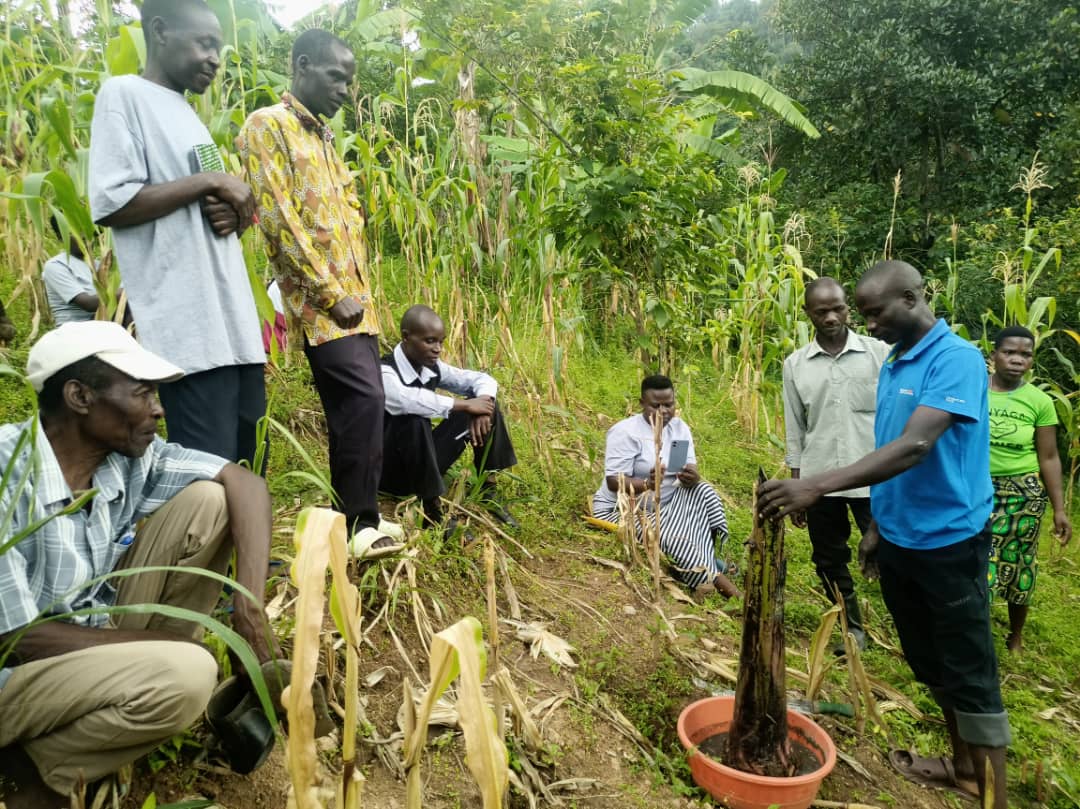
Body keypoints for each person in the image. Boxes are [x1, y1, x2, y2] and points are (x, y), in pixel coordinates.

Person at [758, 261, 1009, 809]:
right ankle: (964, 766)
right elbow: (887, 448)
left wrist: (815, 486)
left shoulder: (957, 359)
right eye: (863, 313)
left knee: (969, 668)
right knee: (928, 660)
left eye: (873, 313)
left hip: (948, 541)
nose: (866, 324)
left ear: (913, 298)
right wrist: (878, 527)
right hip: (900, 538)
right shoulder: (896, 359)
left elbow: (916, 445)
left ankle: (992, 794)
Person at [0, 321, 275, 809]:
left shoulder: (125, 460)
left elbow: (244, 484)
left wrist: (246, 611)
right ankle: (38, 776)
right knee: (188, 674)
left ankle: (120, 706)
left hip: (88, 638)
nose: (158, 409)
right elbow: (17, 641)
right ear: (79, 396)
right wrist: (167, 644)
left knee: (212, 500)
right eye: (142, 394)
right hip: (14, 671)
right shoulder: (7, 476)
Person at [236, 28, 399, 555]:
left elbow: (346, 216)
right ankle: (359, 525)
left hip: (357, 302)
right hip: (324, 303)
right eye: (337, 77)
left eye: (349, 81)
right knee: (363, 398)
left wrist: (360, 293)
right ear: (303, 66)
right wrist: (331, 293)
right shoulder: (268, 126)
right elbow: (278, 219)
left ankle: (357, 519)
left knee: (361, 409)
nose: (344, 90)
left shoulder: (324, 138)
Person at [88, 0, 266, 465]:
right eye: (204, 43)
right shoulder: (123, 95)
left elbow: (203, 210)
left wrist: (234, 215)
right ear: (161, 31)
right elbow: (112, 202)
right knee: (207, 476)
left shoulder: (188, 114)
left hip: (235, 330)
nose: (214, 57)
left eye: (219, 48)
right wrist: (211, 181)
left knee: (247, 463)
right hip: (190, 335)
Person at [782, 277, 889, 652]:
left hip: (874, 477)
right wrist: (797, 485)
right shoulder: (795, 365)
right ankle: (849, 626)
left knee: (892, 552)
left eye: (837, 308)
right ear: (807, 314)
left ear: (848, 308)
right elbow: (795, 428)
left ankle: (911, 626)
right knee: (828, 559)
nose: (831, 317)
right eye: (821, 311)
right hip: (820, 479)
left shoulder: (880, 354)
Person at [593, 375, 740, 598]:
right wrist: (646, 484)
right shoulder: (625, 432)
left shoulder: (679, 429)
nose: (663, 411)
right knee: (673, 538)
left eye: (668, 404)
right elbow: (614, 482)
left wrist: (692, 475)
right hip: (624, 510)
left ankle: (706, 557)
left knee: (705, 492)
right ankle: (728, 590)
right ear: (642, 403)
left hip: (667, 503)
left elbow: (686, 466)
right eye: (656, 405)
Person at [380, 305, 519, 537]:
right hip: (390, 472)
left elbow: (480, 379)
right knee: (414, 416)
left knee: (487, 406)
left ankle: (488, 489)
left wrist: (482, 405)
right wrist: (464, 404)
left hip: (422, 462)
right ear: (406, 337)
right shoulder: (385, 371)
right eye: (430, 341)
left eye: (441, 342)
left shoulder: (431, 367)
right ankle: (432, 512)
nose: (437, 349)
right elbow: (404, 400)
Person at [986, 325, 1072, 653]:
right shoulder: (973, 390)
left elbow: (1049, 457)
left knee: (1019, 563)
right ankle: (973, 629)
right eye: (1009, 352)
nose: (1017, 360)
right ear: (993, 355)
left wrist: (1060, 510)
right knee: (979, 562)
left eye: (1025, 354)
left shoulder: (1039, 401)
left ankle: (1016, 634)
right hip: (975, 490)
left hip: (1022, 494)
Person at [42, 218, 99, 325]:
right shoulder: (56, 265)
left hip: (106, 323)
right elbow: (88, 304)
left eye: (85, 229)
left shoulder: (101, 265)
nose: (83, 236)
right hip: (76, 329)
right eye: (74, 232)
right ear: (60, 237)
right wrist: (128, 292)